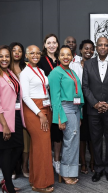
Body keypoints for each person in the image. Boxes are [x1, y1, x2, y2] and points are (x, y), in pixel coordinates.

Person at [82, 36, 108, 182]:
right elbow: (85, 87)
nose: (103, 47)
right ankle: (98, 168)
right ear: (96, 47)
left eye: (106, 45)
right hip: (93, 110)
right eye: (100, 45)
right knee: (96, 140)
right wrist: (95, 104)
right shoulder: (88, 64)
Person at [0, 45, 25, 193]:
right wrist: (4, 125)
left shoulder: (10, 72)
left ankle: (5, 180)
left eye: (7, 56)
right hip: (2, 119)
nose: (4, 59)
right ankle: (8, 186)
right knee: (6, 152)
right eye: (1, 56)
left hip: (15, 116)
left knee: (18, 148)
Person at [20, 45, 55, 192]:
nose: (35, 55)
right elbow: (25, 97)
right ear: (26, 55)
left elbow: (45, 89)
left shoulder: (40, 70)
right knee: (42, 146)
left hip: (45, 106)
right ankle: (41, 184)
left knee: (39, 146)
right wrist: (40, 114)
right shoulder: (25, 73)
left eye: (37, 53)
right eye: (31, 53)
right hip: (34, 110)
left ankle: (35, 179)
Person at [48, 45, 84, 185]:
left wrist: (79, 115)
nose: (65, 57)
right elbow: (55, 98)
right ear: (58, 57)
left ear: (72, 57)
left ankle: (71, 171)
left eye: (68, 54)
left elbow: (78, 94)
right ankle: (65, 173)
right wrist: (60, 118)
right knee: (69, 142)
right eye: (62, 54)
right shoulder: (55, 73)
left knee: (74, 142)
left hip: (75, 109)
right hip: (65, 109)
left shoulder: (71, 72)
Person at [37, 34, 63, 174]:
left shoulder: (62, 60)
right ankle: (47, 161)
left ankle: (57, 160)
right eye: (49, 43)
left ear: (57, 44)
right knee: (47, 134)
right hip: (46, 101)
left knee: (58, 133)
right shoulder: (40, 61)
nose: (52, 45)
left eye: (54, 42)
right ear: (45, 45)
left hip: (60, 101)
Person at [69, 39, 96, 174]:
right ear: (80, 50)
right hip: (78, 103)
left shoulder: (97, 64)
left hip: (93, 102)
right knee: (81, 135)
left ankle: (93, 161)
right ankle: (83, 163)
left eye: (91, 49)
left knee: (93, 135)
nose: (88, 51)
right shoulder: (73, 65)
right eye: (86, 48)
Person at [9, 42, 28, 179]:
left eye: (19, 50)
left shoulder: (26, 67)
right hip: (9, 107)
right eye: (14, 50)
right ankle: (13, 167)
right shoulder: (4, 67)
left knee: (25, 139)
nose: (16, 53)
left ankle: (25, 165)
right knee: (11, 139)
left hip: (25, 106)